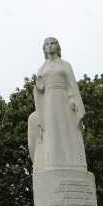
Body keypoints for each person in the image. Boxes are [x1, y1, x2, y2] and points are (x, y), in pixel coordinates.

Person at [28, 37, 87, 172]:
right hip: (49, 101)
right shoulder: (41, 68)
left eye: (52, 44)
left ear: (57, 46)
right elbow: (39, 86)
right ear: (44, 49)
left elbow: (70, 84)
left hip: (64, 98)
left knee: (67, 127)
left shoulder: (65, 65)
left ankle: (73, 160)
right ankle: (54, 161)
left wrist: (72, 98)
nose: (50, 46)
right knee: (52, 129)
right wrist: (38, 87)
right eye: (47, 44)